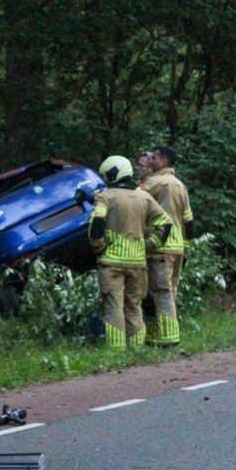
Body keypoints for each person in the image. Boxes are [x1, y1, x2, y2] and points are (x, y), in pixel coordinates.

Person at [89, 155, 172, 349]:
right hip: (137, 263)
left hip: (112, 264)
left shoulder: (105, 197)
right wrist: (149, 245)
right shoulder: (144, 197)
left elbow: (97, 224)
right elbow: (166, 223)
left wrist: (98, 246)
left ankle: (116, 351)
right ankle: (137, 350)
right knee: (134, 307)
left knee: (114, 307)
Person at [140, 145, 194, 346]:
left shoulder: (153, 183)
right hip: (177, 248)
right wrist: (186, 248)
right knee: (169, 291)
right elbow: (189, 221)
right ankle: (155, 336)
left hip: (160, 247)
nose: (149, 161)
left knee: (160, 293)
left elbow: (131, 203)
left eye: (153, 157)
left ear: (163, 162)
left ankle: (169, 338)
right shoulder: (180, 185)